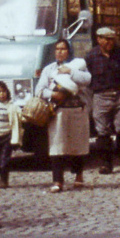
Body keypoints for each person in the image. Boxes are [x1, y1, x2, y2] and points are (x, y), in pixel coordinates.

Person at [35, 39, 92, 192]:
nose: (60, 52)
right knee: (57, 146)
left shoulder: (78, 65)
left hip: (77, 110)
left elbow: (87, 80)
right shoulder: (49, 69)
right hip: (58, 111)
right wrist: (53, 94)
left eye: (63, 49)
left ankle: (78, 176)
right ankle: (57, 180)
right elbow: (39, 90)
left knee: (78, 144)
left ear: (69, 51)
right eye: (57, 49)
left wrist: (70, 72)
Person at [86, 26, 120, 175]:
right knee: (102, 131)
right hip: (101, 96)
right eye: (107, 39)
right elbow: (85, 77)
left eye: (112, 40)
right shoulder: (91, 57)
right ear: (99, 39)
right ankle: (106, 163)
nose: (110, 42)